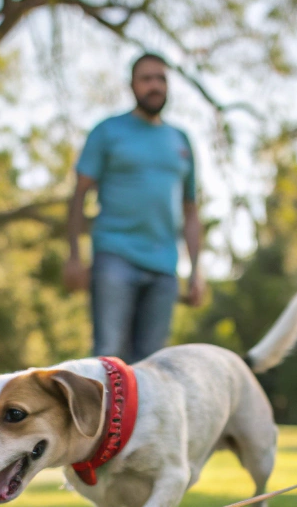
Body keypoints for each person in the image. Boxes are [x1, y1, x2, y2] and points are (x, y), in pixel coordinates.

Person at [64, 53, 205, 363]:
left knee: (151, 366)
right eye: (146, 78)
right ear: (132, 85)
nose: (154, 85)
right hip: (115, 256)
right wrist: (74, 255)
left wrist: (196, 270)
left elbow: (191, 210)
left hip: (165, 267)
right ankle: (105, 413)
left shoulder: (180, 140)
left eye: (161, 79)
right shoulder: (108, 131)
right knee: (109, 359)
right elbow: (79, 195)